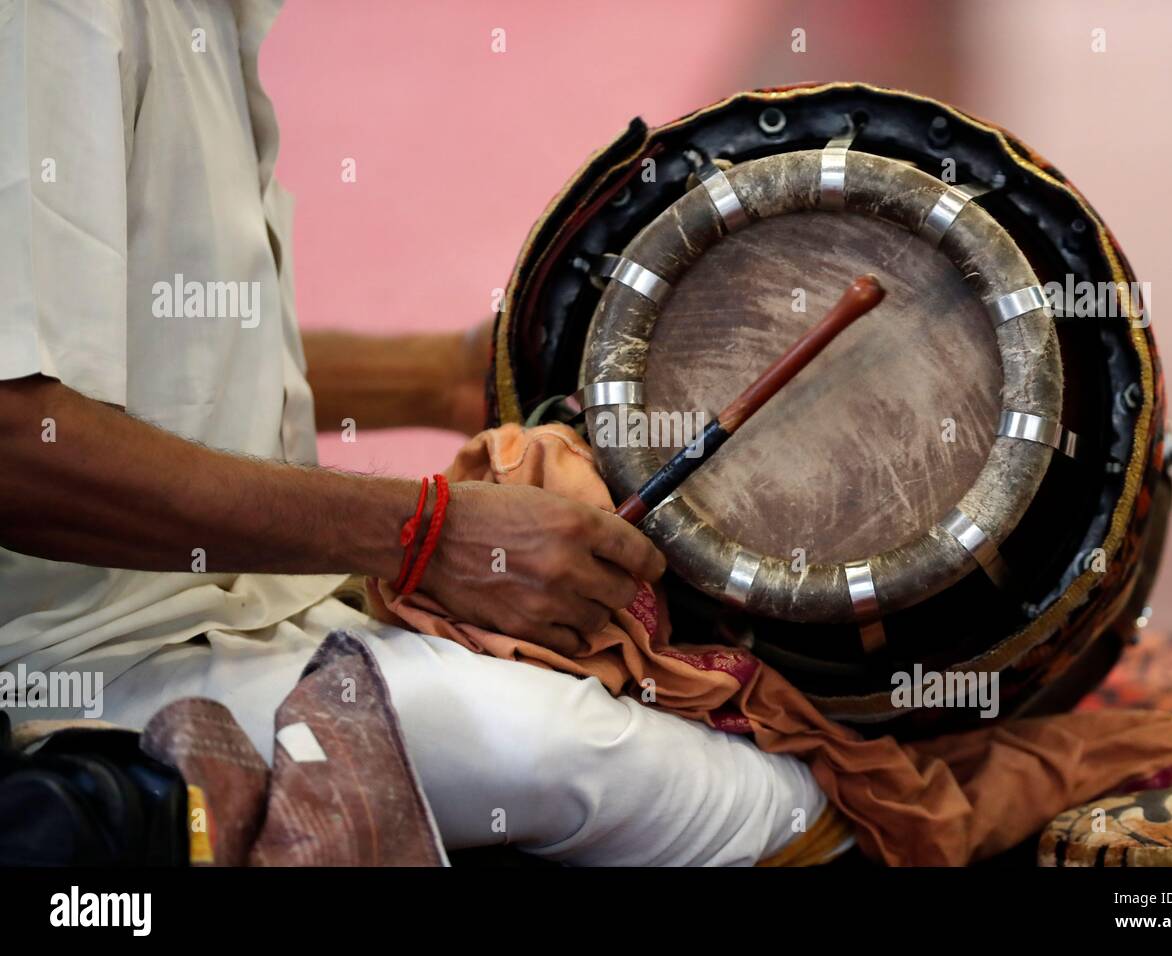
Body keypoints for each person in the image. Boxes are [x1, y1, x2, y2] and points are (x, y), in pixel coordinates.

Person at [0, 0, 827, 865]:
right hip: (87, 668)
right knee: (756, 799)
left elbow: (163, 361)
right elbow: (20, 447)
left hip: (248, 619)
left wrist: (451, 376)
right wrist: (429, 532)